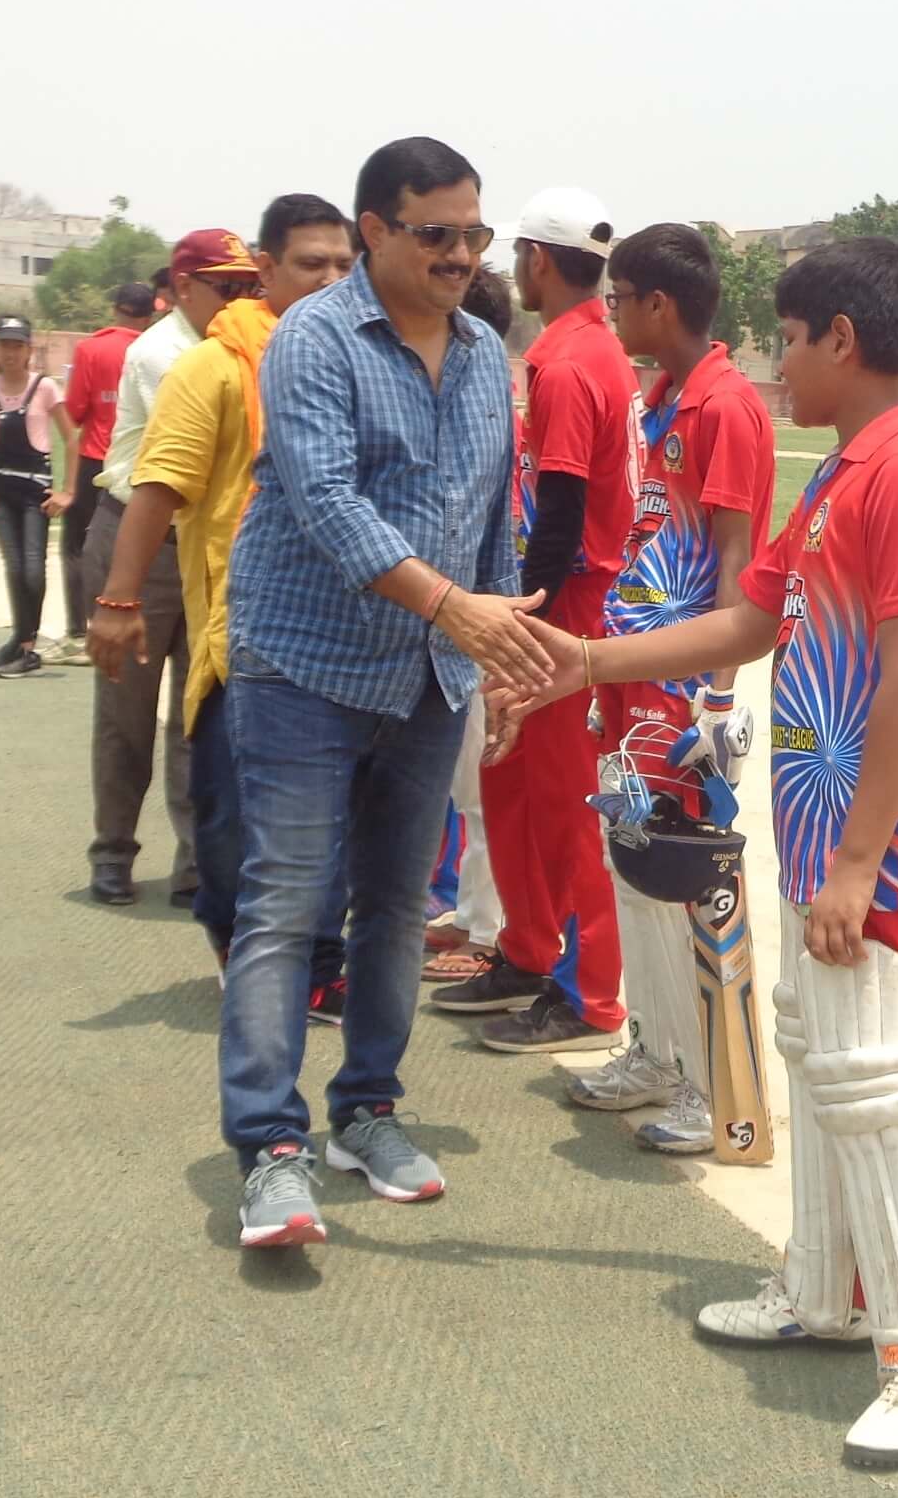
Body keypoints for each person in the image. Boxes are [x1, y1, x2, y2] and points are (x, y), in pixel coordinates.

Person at [486, 235, 898, 1468]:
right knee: (819, 1055)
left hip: (887, 839)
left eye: (788, 334)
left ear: (843, 340)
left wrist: (866, 859)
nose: (773, 360)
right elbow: (755, 616)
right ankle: (821, 1291)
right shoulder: (842, 472)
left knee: (879, 1083)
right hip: (829, 831)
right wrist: (589, 661)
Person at [215, 136, 554, 1250]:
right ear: (373, 232)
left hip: (425, 676)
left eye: (474, 235)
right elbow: (325, 501)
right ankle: (270, 1145)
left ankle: (366, 1110)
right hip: (304, 665)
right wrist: (454, 608)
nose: (460, 256)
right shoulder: (312, 339)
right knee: (283, 902)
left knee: (398, 909)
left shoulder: (482, 356)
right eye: (435, 235)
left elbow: (495, 516)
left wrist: (498, 652)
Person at [561, 221, 776, 1155]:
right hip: (632, 672)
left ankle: (711, 1085)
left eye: (620, 300)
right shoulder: (662, 398)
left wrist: (718, 698)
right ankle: (652, 1048)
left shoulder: (727, 407)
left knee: (690, 879)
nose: (611, 315)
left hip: (682, 684)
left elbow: (737, 563)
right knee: (632, 864)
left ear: (660, 304)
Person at [90, 204, 353, 941]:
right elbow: (160, 481)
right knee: (164, 735)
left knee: (314, 816)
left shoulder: (360, 356)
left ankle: (260, 922)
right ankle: (127, 858)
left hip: (336, 626)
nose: (330, 280)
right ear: (265, 273)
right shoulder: (204, 361)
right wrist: (118, 595)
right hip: (221, 600)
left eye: (342, 265)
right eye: (310, 264)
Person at [438, 187, 638, 1057]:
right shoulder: (593, 346)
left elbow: (558, 513)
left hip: (566, 604)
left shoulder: (564, 362)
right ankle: (525, 950)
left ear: (538, 261)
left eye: (517, 252)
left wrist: (528, 635)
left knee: (565, 805)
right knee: (509, 787)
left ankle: (589, 997)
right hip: (560, 596)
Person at [90, 258, 200, 902]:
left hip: (204, 545)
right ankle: (112, 849)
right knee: (127, 709)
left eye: (250, 286)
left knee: (200, 714)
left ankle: (196, 862)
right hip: (142, 543)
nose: (243, 297)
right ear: (184, 288)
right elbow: (192, 458)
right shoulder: (167, 355)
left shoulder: (238, 344)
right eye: (228, 286)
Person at [424, 266, 519, 989]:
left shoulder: (494, 391)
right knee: (465, 788)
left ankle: (488, 931)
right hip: (460, 614)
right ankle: (471, 910)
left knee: (483, 789)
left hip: (483, 616)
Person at [0, 316, 68, 676]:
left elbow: (73, 438)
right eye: (4, 344)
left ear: (29, 350)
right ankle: (25, 646)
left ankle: (24, 637)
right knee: (15, 567)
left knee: (34, 569)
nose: (10, 353)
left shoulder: (45, 388)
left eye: (17, 345)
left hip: (36, 491)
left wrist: (68, 491)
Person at [58, 281, 151, 646]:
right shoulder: (156, 348)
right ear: (150, 314)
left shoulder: (91, 348)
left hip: (96, 459)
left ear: (115, 308)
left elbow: (76, 410)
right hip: (142, 464)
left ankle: (79, 631)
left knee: (77, 548)